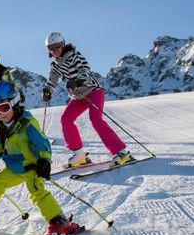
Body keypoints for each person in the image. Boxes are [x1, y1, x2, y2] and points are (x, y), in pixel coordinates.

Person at [0, 82, 84, 235]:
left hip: (32, 165)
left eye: (4, 107)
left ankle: (59, 222)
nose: (1, 113)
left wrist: (45, 161)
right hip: (14, 169)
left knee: (36, 190)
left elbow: (43, 143)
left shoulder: (27, 123)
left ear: (14, 103)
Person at [41, 32, 132, 168]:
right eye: (51, 48)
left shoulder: (74, 55)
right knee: (66, 119)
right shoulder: (55, 65)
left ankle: (121, 152)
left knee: (95, 119)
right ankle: (79, 155)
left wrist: (77, 81)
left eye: (57, 46)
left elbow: (85, 70)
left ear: (63, 44)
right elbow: (52, 80)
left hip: (93, 91)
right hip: (78, 97)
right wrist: (48, 90)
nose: (55, 51)